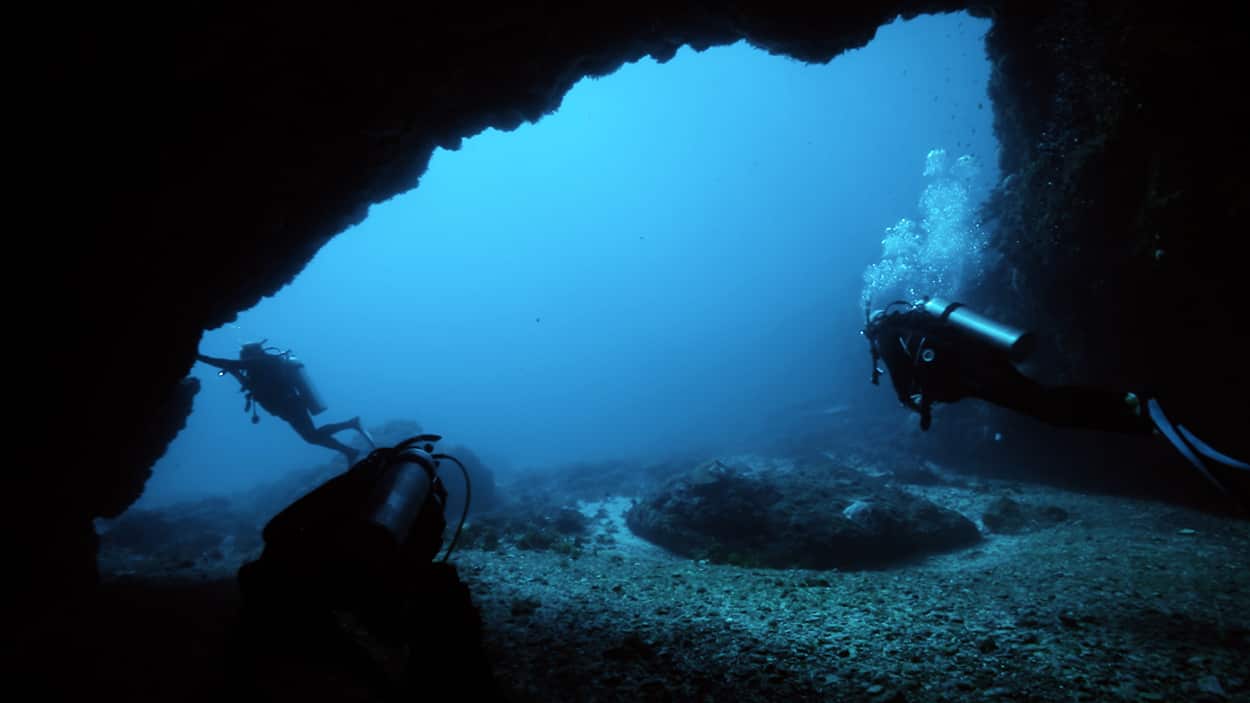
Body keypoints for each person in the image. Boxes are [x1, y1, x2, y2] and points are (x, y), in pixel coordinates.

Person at [862, 296, 1249, 496]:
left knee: (1046, 407)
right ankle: (1135, 415)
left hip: (971, 370)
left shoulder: (886, 334)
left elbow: (904, 385)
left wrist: (915, 404)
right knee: (1044, 404)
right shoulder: (914, 325)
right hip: (978, 360)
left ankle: (1136, 407)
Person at [198, 340, 375, 464]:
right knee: (310, 437)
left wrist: (199, 357)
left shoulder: (265, 361)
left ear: (251, 354)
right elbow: (251, 386)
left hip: (290, 404)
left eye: (244, 355)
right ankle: (350, 449)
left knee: (311, 436)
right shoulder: (258, 366)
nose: (243, 359)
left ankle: (352, 426)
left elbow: (230, 363)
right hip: (284, 408)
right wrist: (235, 373)